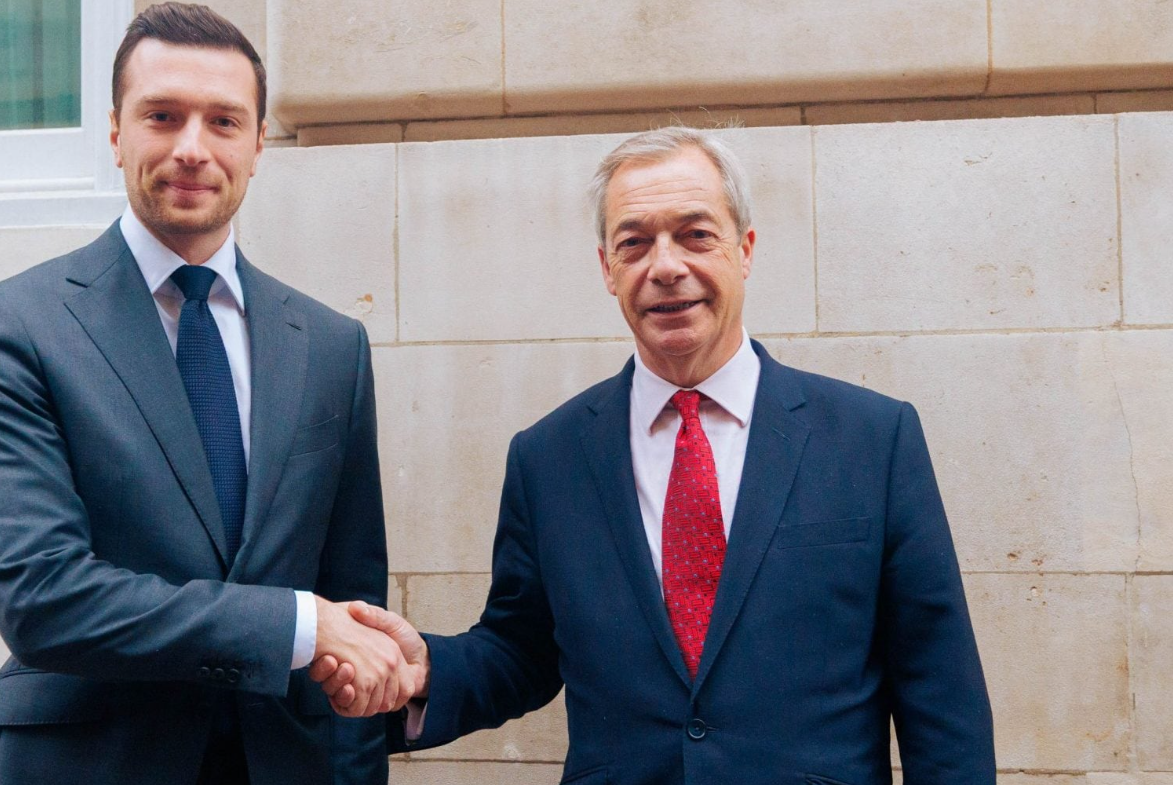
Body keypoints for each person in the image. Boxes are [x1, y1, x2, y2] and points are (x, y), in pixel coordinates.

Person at [313, 127, 997, 784]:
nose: (666, 267)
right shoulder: (548, 458)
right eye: (634, 243)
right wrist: (428, 670)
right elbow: (522, 650)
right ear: (608, 270)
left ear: (745, 249)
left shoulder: (872, 439)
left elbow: (940, 691)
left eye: (695, 235)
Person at [0, 4, 412, 784]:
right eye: (162, 116)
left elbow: (353, 620)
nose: (192, 148)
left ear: (258, 145)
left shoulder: (334, 348)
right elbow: (41, 594)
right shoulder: (12, 325)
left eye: (223, 121)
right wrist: (295, 624)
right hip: (82, 763)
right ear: (115, 132)